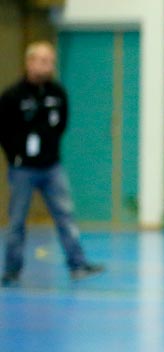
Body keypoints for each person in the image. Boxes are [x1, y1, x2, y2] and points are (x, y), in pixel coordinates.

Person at [1, 41, 104, 286]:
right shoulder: (12, 96)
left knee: (65, 215)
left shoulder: (57, 93)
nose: (49, 66)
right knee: (16, 220)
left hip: (51, 167)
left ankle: (77, 264)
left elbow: (62, 124)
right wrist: (15, 156)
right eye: (44, 61)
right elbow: (3, 131)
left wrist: (49, 148)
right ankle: (11, 269)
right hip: (23, 169)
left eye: (51, 61)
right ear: (30, 62)